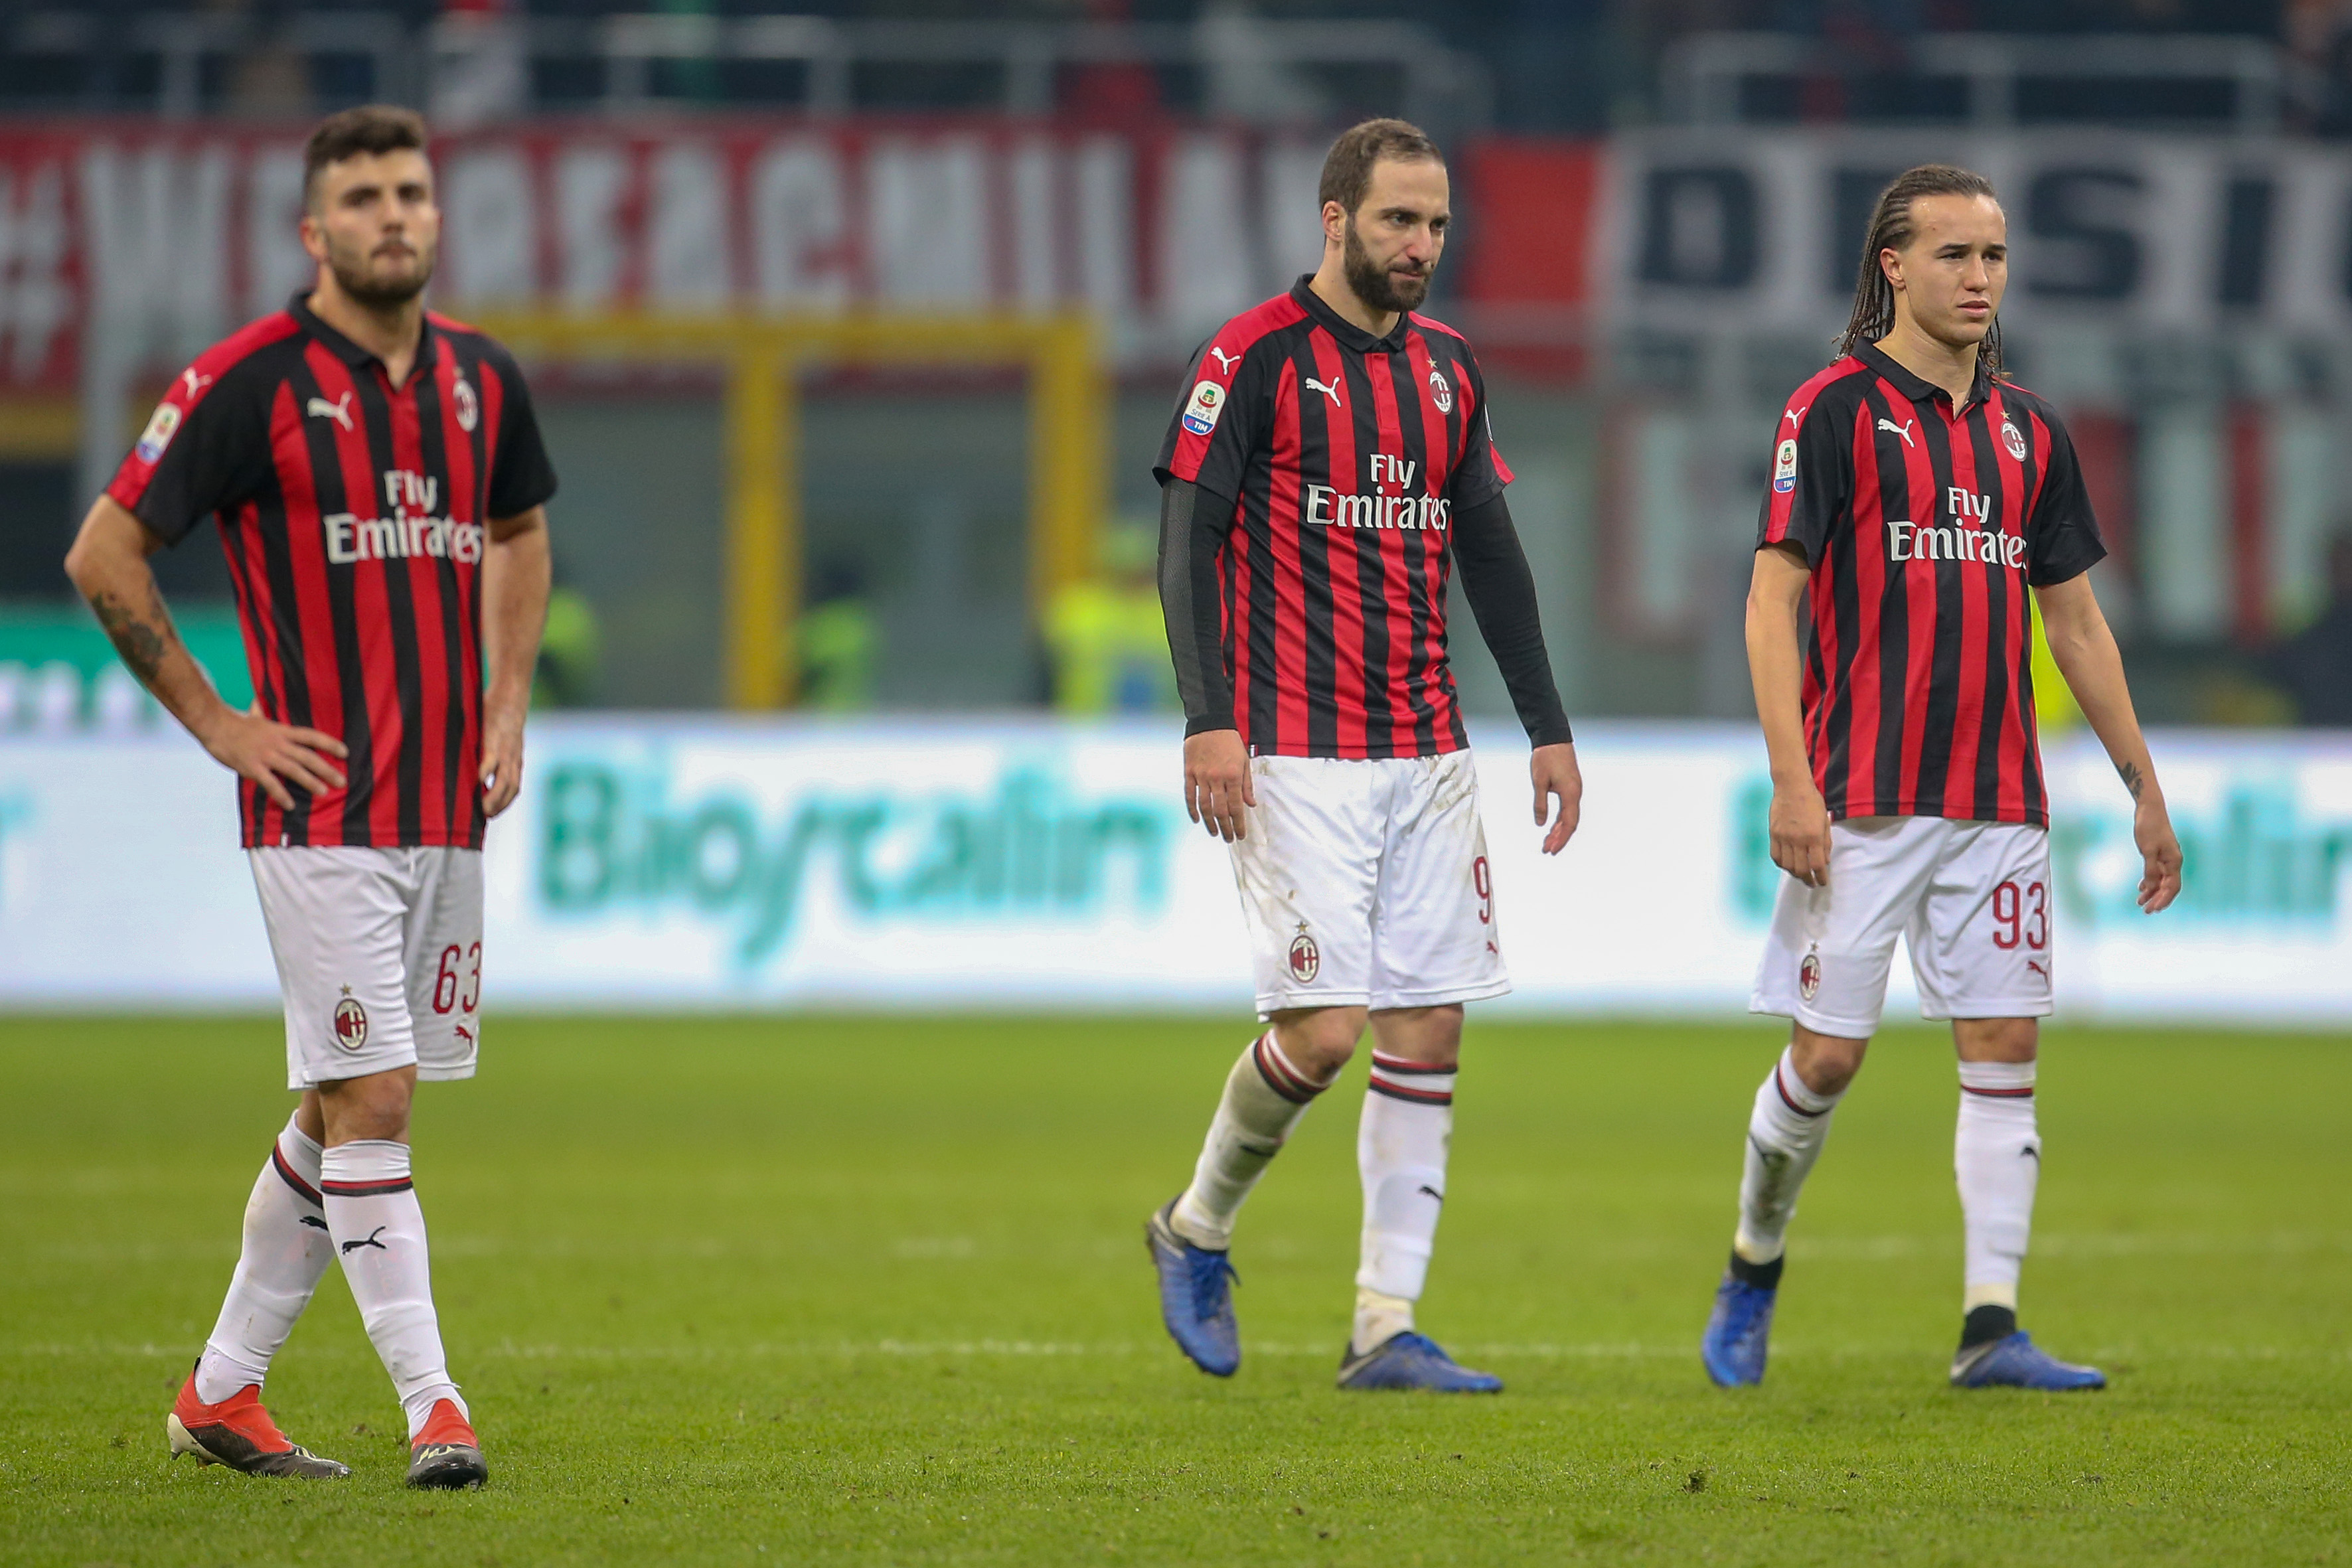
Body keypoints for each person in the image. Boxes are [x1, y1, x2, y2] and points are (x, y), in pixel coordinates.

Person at [63, 105, 555, 1486]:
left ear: (436, 214)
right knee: (376, 1094)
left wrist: (505, 703)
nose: (392, 214)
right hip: (319, 806)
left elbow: (520, 532)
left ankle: (222, 1389)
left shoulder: (479, 382)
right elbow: (106, 554)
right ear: (315, 230)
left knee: (342, 1106)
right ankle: (436, 1406)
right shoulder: (247, 382)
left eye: (410, 191)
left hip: (445, 807)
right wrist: (219, 720)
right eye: (362, 198)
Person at [1703, 164, 2183, 1393]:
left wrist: (2142, 783)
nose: (1981, 277)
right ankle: (1755, 1256)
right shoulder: (1832, 411)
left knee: (2005, 1044)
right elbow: (1772, 601)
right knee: (1827, 1062)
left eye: (1995, 256)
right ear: (1892, 270)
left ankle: (1990, 1325)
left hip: (1999, 799)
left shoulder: (2032, 431)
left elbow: (2075, 625)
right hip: (1860, 794)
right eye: (1956, 254)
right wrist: (1790, 777)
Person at [1144, 118, 1582, 1393]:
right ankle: (1195, 1225)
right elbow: (1188, 544)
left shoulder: (1449, 371)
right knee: (1328, 1034)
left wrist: (1546, 724)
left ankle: (1384, 1324)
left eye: (1437, 224)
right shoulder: (1252, 357)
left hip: (1427, 749)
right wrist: (1206, 717)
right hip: (1291, 747)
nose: (1421, 246)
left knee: (1429, 1029)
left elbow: (1490, 557)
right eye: (1398, 220)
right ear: (1334, 219)